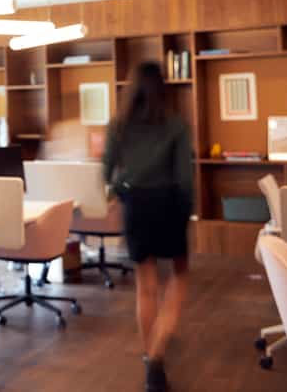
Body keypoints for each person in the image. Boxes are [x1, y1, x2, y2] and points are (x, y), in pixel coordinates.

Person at [102, 61, 192, 392]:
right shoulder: (176, 125)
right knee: (180, 277)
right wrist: (187, 211)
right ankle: (158, 350)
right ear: (161, 88)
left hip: (135, 206)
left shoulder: (118, 125)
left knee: (146, 286)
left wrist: (117, 192)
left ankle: (150, 360)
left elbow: (107, 171)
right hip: (169, 204)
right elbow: (184, 178)